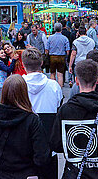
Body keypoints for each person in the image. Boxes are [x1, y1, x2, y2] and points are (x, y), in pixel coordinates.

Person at [0, 74, 52, 179]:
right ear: (24, 93)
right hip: (27, 174)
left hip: (3, 174)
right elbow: (42, 157)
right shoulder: (32, 120)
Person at [22, 47, 63, 179]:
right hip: (47, 148)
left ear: (23, 64)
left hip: (22, 149)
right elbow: (58, 108)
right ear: (41, 63)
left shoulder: (18, 86)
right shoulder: (54, 86)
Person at [45, 22, 70, 87]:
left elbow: (46, 49)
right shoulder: (65, 38)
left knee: (52, 73)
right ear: (61, 29)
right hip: (61, 57)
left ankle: (53, 88)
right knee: (60, 74)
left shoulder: (50, 38)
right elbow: (67, 51)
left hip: (52, 57)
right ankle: (60, 89)